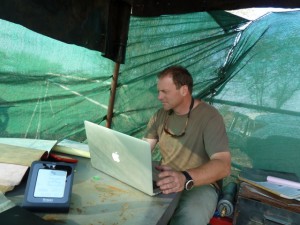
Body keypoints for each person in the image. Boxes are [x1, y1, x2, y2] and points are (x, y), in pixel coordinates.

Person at [143, 65, 231, 225]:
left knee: (191, 217)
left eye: (165, 92)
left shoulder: (210, 117)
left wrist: (185, 177)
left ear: (184, 90)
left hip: (199, 183)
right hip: (165, 175)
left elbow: (223, 165)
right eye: (158, 91)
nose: (159, 97)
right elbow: (143, 149)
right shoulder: (160, 114)